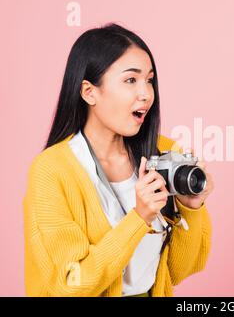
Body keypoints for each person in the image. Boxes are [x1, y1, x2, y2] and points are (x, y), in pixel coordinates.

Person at [23, 23, 213, 297]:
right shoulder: (52, 170)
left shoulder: (163, 152)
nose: (146, 94)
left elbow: (178, 271)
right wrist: (139, 218)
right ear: (89, 92)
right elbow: (70, 285)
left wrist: (191, 207)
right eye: (130, 80)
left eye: (150, 80)